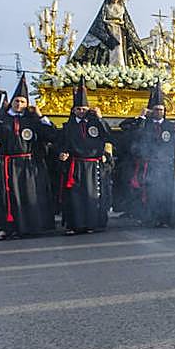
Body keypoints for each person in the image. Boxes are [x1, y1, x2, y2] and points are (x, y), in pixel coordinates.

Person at [0, 72, 56, 240]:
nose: (19, 104)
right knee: (7, 198)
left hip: (28, 165)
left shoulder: (32, 121)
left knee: (28, 196)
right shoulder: (0, 120)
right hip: (6, 165)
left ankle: (29, 227)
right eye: (17, 101)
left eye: (23, 101)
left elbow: (52, 135)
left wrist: (41, 116)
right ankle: (6, 227)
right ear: (12, 102)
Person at [57, 80, 112, 234]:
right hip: (75, 165)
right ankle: (74, 225)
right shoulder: (68, 126)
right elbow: (60, 143)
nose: (81, 111)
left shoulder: (95, 123)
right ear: (74, 110)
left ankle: (91, 224)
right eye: (78, 108)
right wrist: (62, 153)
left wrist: (101, 118)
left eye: (84, 108)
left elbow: (109, 137)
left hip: (93, 166)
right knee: (74, 197)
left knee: (92, 196)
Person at [123, 82, 175, 227]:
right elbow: (129, 130)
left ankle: (165, 218)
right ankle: (150, 218)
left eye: (161, 109)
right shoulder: (145, 124)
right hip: (149, 166)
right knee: (149, 193)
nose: (159, 112)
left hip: (165, 166)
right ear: (151, 110)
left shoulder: (170, 126)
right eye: (156, 109)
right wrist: (142, 117)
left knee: (164, 192)